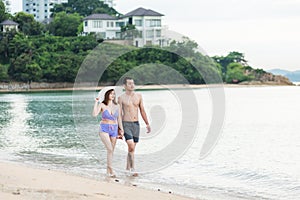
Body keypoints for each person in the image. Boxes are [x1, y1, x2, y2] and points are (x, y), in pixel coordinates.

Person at [118, 77, 151, 176]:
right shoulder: (121, 98)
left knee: (132, 149)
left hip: (136, 124)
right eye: (129, 84)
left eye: (133, 83)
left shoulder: (139, 96)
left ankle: (127, 168)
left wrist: (147, 123)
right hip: (126, 124)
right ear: (124, 86)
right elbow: (119, 114)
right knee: (131, 146)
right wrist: (120, 128)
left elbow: (142, 110)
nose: (132, 85)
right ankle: (133, 169)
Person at [92, 89, 124, 177]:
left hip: (114, 129)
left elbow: (119, 119)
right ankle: (111, 170)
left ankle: (107, 172)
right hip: (104, 129)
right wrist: (96, 102)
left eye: (114, 94)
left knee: (111, 151)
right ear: (107, 95)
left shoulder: (117, 106)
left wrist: (121, 129)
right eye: (111, 94)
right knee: (110, 149)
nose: (113, 95)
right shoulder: (102, 105)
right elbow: (94, 114)